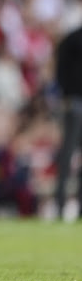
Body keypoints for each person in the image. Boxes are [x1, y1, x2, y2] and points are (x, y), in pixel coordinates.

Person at [53, 24, 82, 221]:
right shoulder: (72, 40)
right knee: (68, 155)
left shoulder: (70, 39)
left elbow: (60, 68)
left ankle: (63, 205)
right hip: (75, 103)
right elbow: (61, 69)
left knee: (68, 155)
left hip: (73, 101)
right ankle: (61, 204)